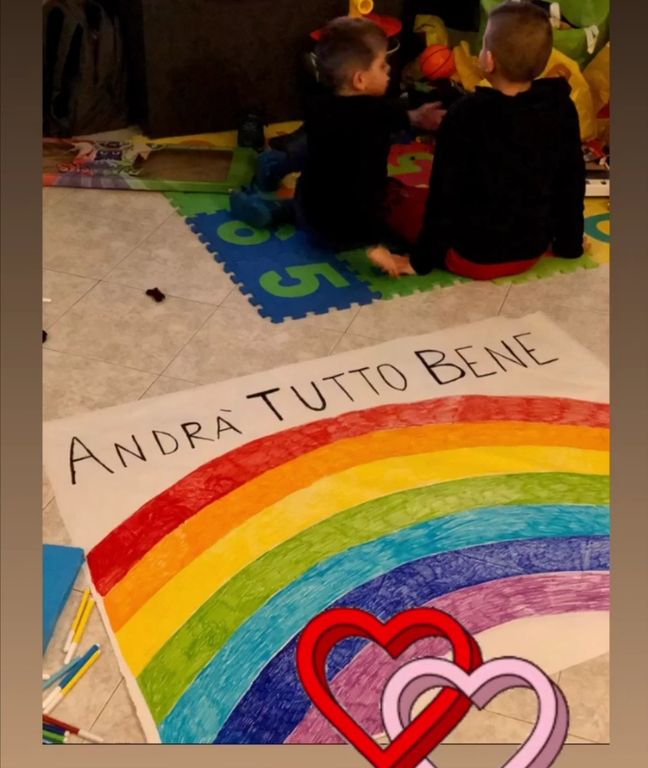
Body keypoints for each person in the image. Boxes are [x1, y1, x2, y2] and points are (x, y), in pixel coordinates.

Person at [230, 16, 445, 275]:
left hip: (309, 204)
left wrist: (416, 117)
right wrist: (373, 242)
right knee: (383, 200)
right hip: (341, 229)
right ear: (360, 80)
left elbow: (389, 116)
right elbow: (361, 189)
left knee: (315, 178)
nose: (389, 69)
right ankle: (279, 204)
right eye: (382, 65)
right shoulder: (373, 125)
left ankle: (274, 206)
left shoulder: (321, 105)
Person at [393, 0, 588, 280]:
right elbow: (571, 181)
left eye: (484, 46)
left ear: (488, 60)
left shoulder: (465, 113)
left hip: (471, 257)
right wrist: (570, 244)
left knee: (397, 200)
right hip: (531, 249)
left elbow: (443, 198)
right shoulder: (560, 106)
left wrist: (419, 262)